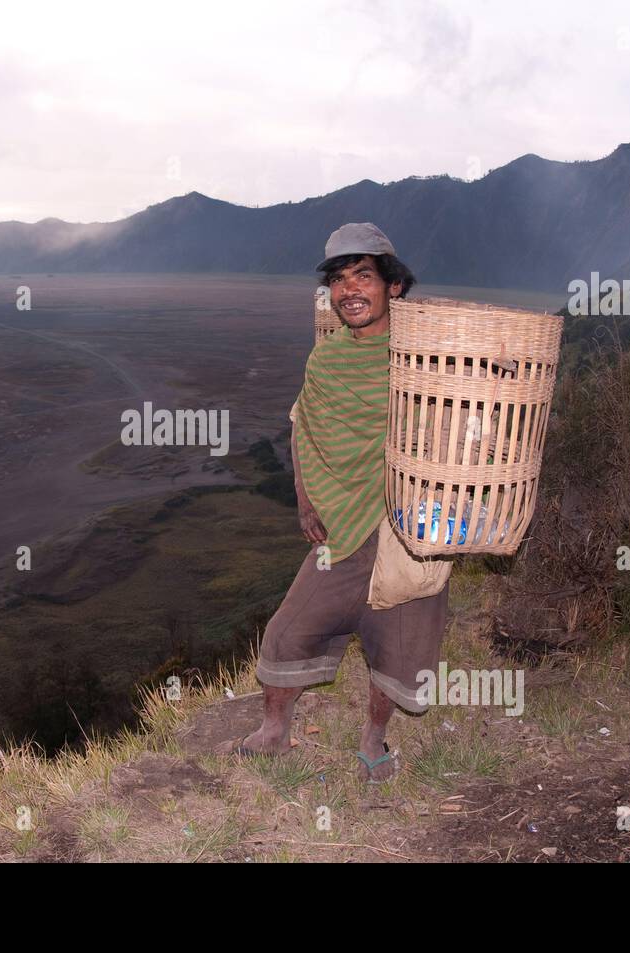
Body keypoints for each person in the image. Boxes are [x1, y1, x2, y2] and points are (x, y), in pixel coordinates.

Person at [238, 223, 450, 782]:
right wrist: (306, 501)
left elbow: (456, 434)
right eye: (338, 279)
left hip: (407, 528)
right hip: (340, 530)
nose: (349, 288)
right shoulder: (326, 360)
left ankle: (374, 739)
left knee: (400, 642)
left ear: (393, 286)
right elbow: (301, 428)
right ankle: (274, 730)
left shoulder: (423, 360)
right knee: (289, 629)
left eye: (363, 275)